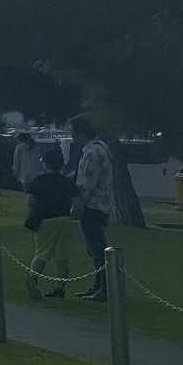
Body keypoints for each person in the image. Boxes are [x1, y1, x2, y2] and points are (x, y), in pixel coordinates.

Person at [22, 147, 79, 299]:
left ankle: (32, 279)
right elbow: (78, 203)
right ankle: (59, 288)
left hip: (45, 220)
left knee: (42, 253)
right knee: (62, 256)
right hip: (64, 219)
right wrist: (72, 216)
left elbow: (30, 202)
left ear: (45, 164)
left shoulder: (39, 180)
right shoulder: (67, 181)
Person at [71, 116, 115, 301]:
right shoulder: (100, 148)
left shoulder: (93, 152)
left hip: (92, 206)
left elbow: (87, 183)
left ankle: (104, 289)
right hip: (100, 204)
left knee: (97, 248)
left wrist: (77, 205)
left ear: (81, 133)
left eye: (73, 132)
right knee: (95, 248)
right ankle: (98, 286)